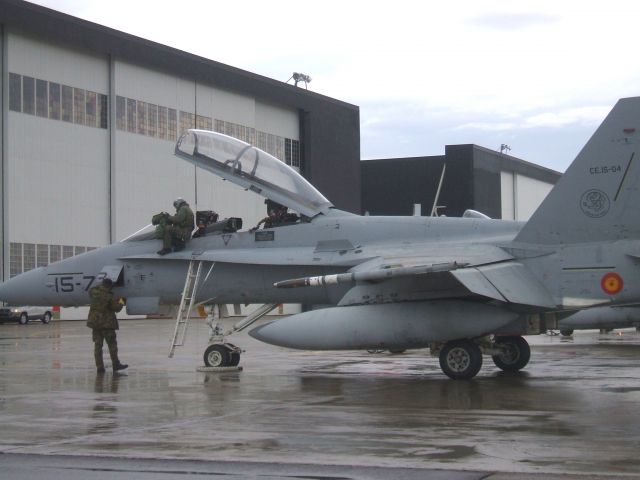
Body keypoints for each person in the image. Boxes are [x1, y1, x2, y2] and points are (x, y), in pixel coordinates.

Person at [87, 278, 128, 374]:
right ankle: (116, 364)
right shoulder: (108, 296)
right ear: (109, 286)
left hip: (95, 323)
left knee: (98, 346)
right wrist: (122, 301)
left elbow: (91, 290)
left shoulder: (93, 292)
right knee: (112, 345)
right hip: (106, 324)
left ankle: (100, 367)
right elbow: (116, 308)